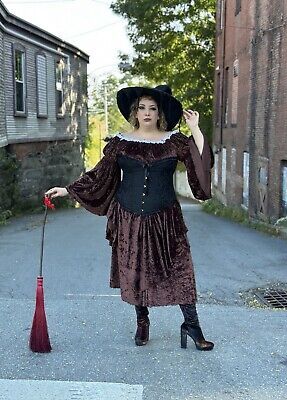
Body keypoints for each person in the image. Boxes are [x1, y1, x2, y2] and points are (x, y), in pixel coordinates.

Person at [45, 85, 215, 351]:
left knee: (181, 270)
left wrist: (195, 129)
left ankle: (192, 325)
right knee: (136, 271)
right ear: (135, 113)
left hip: (166, 218)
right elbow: (100, 175)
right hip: (130, 218)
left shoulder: (174, 141)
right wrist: (69, 189)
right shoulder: (120, 144)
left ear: (160, 114)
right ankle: (142, 321)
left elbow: (200, 162)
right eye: (142, 108)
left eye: (153, 108)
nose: (147, 113)